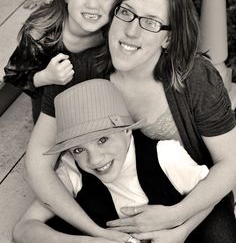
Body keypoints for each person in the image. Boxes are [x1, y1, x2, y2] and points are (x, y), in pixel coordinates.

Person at [25, 0, 236, 242]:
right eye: (125, 12)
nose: (130, 32)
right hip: (109, 192)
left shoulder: (196, 78)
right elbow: (39, 164)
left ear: (169, 37)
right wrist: (97, 235)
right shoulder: (78, 72)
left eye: (150, 22)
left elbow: (230, 162)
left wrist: (177, 221)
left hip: (191, 191)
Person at [13, 79, 211, 243]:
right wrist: (86, 241)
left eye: (103, 139)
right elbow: (24, 228)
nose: (95, 159)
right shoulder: (73, 169)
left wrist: (181, 231)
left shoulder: (165, 156)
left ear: (126, 130)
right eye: (79, 149)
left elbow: (211, 195)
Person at [4, 0, 129, 123]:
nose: (93, 4)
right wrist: (46, 77)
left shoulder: (116, 32)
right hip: (53, 116)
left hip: (98, 109)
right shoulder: (41, 34)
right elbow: (15, 76)